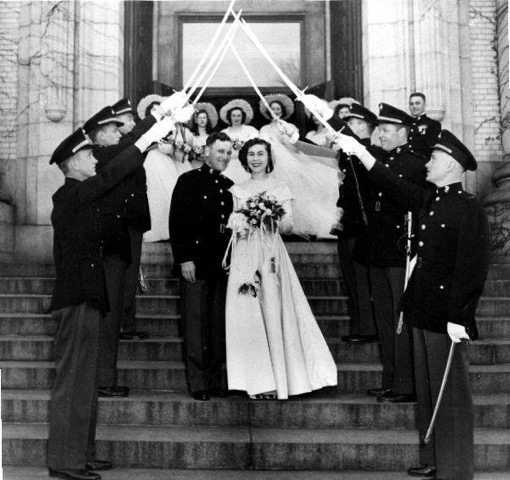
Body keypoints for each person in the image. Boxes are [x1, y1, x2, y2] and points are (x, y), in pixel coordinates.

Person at [335, 129, 489, 480]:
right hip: (421, 309)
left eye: (433, 158)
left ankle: (456, 470)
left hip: (445, 318)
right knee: (429, 392)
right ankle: (433, 457)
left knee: (450, 395)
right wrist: (360, 151)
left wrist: (460, 317)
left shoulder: (470, 209)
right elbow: (392, 184)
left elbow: (472, 269)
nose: (427, 164)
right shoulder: (430, 201)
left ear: (450, 165)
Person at [47, 117, 174, 480]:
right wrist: (144, 140)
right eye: (88, 156)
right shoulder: (71, 194)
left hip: (90, 295)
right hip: (78, 297)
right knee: (72, 382)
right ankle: (66, 463)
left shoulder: (85, 198)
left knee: (84, 384)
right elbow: (110, 176)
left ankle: (79, 455)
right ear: (72, 164)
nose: (94, 160)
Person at [225, 138, 338, 399]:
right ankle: (255, 380)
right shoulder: (238, 189)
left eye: (260, 154)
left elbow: (289, 223)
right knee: (247, 311)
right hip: (244, 253)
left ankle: (280, 380)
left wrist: (272, 221)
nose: (256, 159)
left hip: (270, 252)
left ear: (269, 158)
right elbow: (233, 221)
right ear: (244, 159)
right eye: (251, 154)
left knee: (274, 307)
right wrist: (240, 222)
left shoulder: (280, 188)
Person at [352, 103, 428, 404]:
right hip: (380, 250)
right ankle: (392, 380)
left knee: (399, 319)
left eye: (384, 131)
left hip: (400, 251)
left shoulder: (413, 163)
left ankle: (406, 384)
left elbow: (403, 192)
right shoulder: (388, 158)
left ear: (403, 133)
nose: (379, 135)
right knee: (385, 320)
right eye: (379, 130)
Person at [169, 132, 234, 401]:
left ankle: (215, 379)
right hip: (195, 262)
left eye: (228, 153)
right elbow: (178, 222)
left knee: (217, 324)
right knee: (195, 325)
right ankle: (199, 383)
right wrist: (184, 258)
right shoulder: (189, 180)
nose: (224, 157)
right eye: (220, 151)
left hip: (221, 264)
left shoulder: (229, 185)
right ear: (206, 151)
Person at [82, 106, 134, 398]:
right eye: (115, 130)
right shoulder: (102, 156)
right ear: (100, 136)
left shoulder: (105, 156)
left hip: (114, 246)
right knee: (107, 315)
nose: (120, 134)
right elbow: (131, 147)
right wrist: (161, 117)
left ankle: (104, 377)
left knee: (110, 317)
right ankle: (103, 379)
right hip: (107, 250)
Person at [257, 94, 341, 239]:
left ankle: (292, 224)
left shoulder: (289, 126)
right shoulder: (264, 129)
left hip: (287, 162)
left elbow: (296, 147)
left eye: (278, 109)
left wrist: (283, 141)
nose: (275, 111)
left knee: (292, 192)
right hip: (271, 163)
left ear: (282, 111)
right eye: (272, 109)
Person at [336, 103, 378, 344]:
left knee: (361, 280)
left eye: (350, 123)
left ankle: (367, 328)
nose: (347, 128)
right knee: (352, 279)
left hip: (362, 226)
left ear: (362, 126)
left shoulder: (368, 152)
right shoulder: (349, 153)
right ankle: (359, 326)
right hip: (348, 223)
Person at [220, 99, 258, 184]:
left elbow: (256, 147)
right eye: (233, 116)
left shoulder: (250, 130)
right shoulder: (224, 132)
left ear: (242, 116)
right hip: (229, 166)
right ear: (230, 117)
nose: (236, 118)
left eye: (238, 115)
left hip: (246, 165)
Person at [408, 92, 441, 158]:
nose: (414, 106)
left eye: (417, 103)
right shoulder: (406, 124)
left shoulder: (433, 124)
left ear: (424, 105)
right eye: (411, 104)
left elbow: (430, 147)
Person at [189, 102, 218, 169]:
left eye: (204, 118)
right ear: (196, 120)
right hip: (195, 165)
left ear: (207, 120)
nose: (202, 120)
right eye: (200, 118)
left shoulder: (212, 136)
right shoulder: (191, 136)